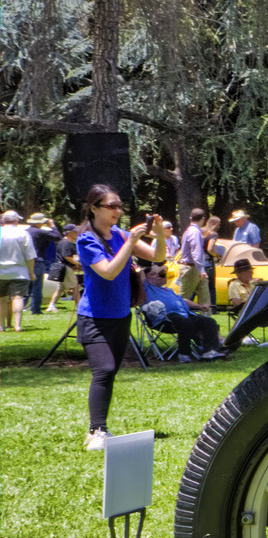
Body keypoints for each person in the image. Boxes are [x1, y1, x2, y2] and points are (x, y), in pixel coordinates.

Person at [76, 184, 167, 451]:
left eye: (119, 206)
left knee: (110, 372)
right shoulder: (86, 240)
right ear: (94, 208)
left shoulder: (119, 234)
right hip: (94, 317)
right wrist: (129, 243)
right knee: (103, 370)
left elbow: (159, 256)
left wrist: (159, 234)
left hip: (119, 315)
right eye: (111, 206)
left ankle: (99, 428)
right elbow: (108, 271)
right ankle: (96, 431)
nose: (118, 211)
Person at [141, 265, 223, 359]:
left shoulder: (168, 290)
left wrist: (199, 306)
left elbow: (182, 300)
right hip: (164, 317)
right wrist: (152, 268)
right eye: (153, 274)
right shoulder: (145, 288)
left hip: (184, 314)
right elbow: (140, 274)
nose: (158, 276)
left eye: (161, 275)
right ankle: (184, 353)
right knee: (185, 322)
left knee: (209, 322)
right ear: (147, 277)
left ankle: (209, 351)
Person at [0, 209, 32, 332]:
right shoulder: (23, 233)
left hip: (1, 272)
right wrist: (31, 272)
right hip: (19, 271)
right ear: (16, 220)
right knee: (18, 298)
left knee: (2, 300)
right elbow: (30, 256)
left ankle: (1, 326)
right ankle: (17, 325)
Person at [176, 207, 211, 312]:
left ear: (191, 218)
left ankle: (206, 323)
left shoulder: (189, 231)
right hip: (191, 268)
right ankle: (177, 318)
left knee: (205, 297)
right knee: (183, 298)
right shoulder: (195, 232)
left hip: (195, 268)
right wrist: (201, 270)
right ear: (203, 219)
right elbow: (196, 252)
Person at [28, 212, 60, 313]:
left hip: (26, 261)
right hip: (38, 260)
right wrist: (52, 226)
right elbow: (58, 236)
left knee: (26, 286)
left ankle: (23, 306)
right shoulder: (40, 232)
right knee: (37, 286)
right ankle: (35, 309)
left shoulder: (26, 231)